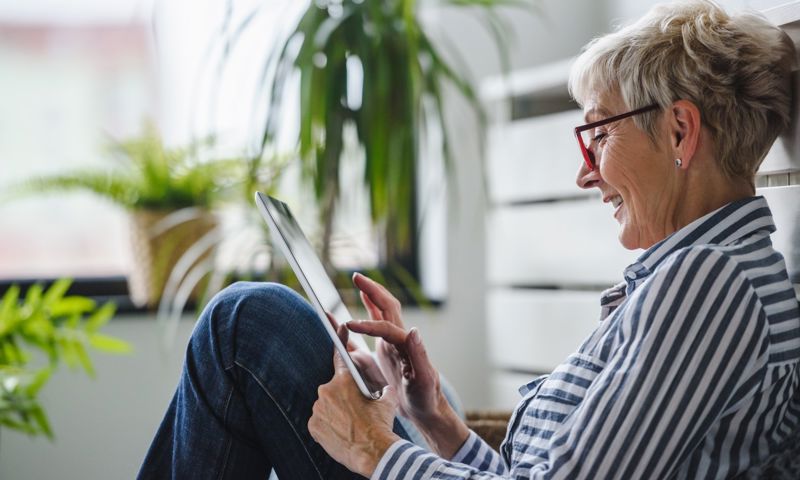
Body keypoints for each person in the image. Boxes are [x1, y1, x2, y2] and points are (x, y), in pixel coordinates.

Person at [139, 0, 800, 478]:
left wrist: (375, 450)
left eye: (598, 133)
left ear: (681, 131)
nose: (584, 172)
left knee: (246, 322)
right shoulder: (700, 277)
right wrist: (435, 419)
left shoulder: (710, 283)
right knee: (252, 322)